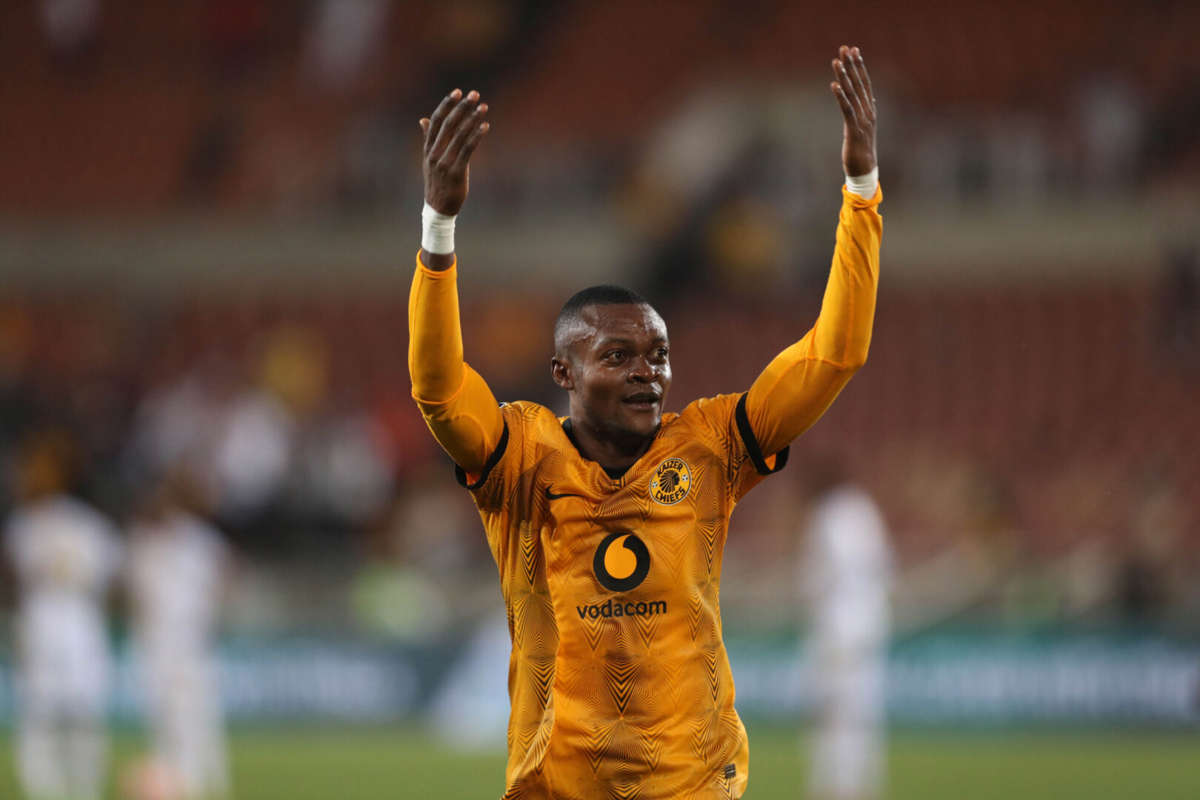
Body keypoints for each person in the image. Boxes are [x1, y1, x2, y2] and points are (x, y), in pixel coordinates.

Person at [409, 45, 882, 799]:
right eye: (618, 355)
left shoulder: (712, 445)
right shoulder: (520, 457)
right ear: (563, 373)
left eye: (658, 354)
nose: (647, 372)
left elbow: (835, 355)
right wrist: (438, 227)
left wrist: (860, 192)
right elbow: (437, 390)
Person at [3, 432, 122, 800]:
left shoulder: (86, 524)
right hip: (41, 619)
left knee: (83, 710)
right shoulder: (23, 525)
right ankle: (44, 790)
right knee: (39, 711)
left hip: (77, 620)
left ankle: (83, 788)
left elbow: (112, 579)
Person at [125, 468, 232, 800]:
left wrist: (209, 613)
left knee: (193, 710)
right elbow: (135, 591)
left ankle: (198, 778)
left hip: (188, 636)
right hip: (155, 638)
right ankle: (171, 778)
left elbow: (224, 577)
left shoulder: (199, 540)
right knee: (162, 711)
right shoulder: (145, 540)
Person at [798, 458, 892, 800]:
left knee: (832, 715)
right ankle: (862, 787)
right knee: (863, 714)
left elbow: (818, 576)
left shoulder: (828, 515)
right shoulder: (864, 510)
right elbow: (885, 569)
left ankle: (835, 788)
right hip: (870, 623)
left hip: (837, 627)